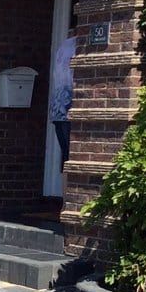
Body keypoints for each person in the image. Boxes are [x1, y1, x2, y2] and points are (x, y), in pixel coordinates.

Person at [50, 9, 79, 171]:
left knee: (67, 158)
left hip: (58, 110)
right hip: (71, 108)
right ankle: (69, 195)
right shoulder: (78, 45)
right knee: (73, 160)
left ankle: (65, 194)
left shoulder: (63, 46)